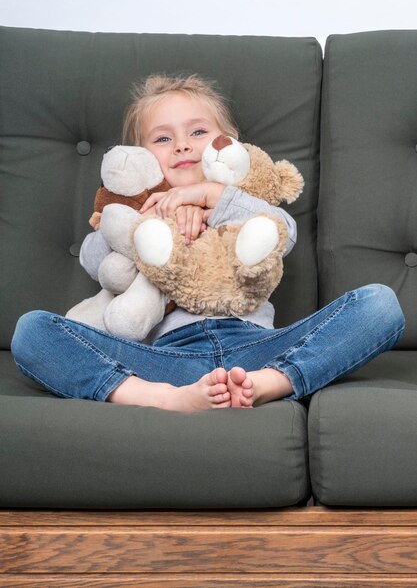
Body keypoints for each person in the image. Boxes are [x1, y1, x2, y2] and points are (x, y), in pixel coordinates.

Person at [11, 74, 405, 413]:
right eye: (163, 138)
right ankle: (159, 399)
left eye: (198, 132)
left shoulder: (242, 203)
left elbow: (282, 230)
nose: (182, 146)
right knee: (32, 331)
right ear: (139, 157)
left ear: (226, 145)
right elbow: (96, 258)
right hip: (165, 362)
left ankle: (271, 382)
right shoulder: (129, 213)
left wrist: (209, 196)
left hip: (259, 349)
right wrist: (153, 224)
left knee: (380, 304)